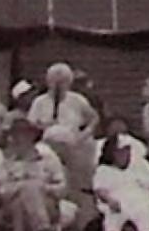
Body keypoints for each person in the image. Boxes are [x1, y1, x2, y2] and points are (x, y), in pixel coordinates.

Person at [27, 63, 100, 208]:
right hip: (48, 144)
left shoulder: (77, 100)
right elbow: (31, 124)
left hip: (73, 144)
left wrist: (83, 135)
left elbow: (94, 118)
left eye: (63, 81)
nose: (58, 85)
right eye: (55, 81)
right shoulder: (40, 102)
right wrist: (43, 126)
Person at [0, 117, 68, 231]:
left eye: (21, 134)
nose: (17, 139)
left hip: (46, 203)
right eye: (14, 135)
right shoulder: (7, 163)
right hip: (13, 204)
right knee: (23, 198)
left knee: (26, 199)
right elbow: (2, 192)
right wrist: (24, 186)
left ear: (31, 136)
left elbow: (63, 188)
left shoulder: (48, 159)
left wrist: (43, 188)